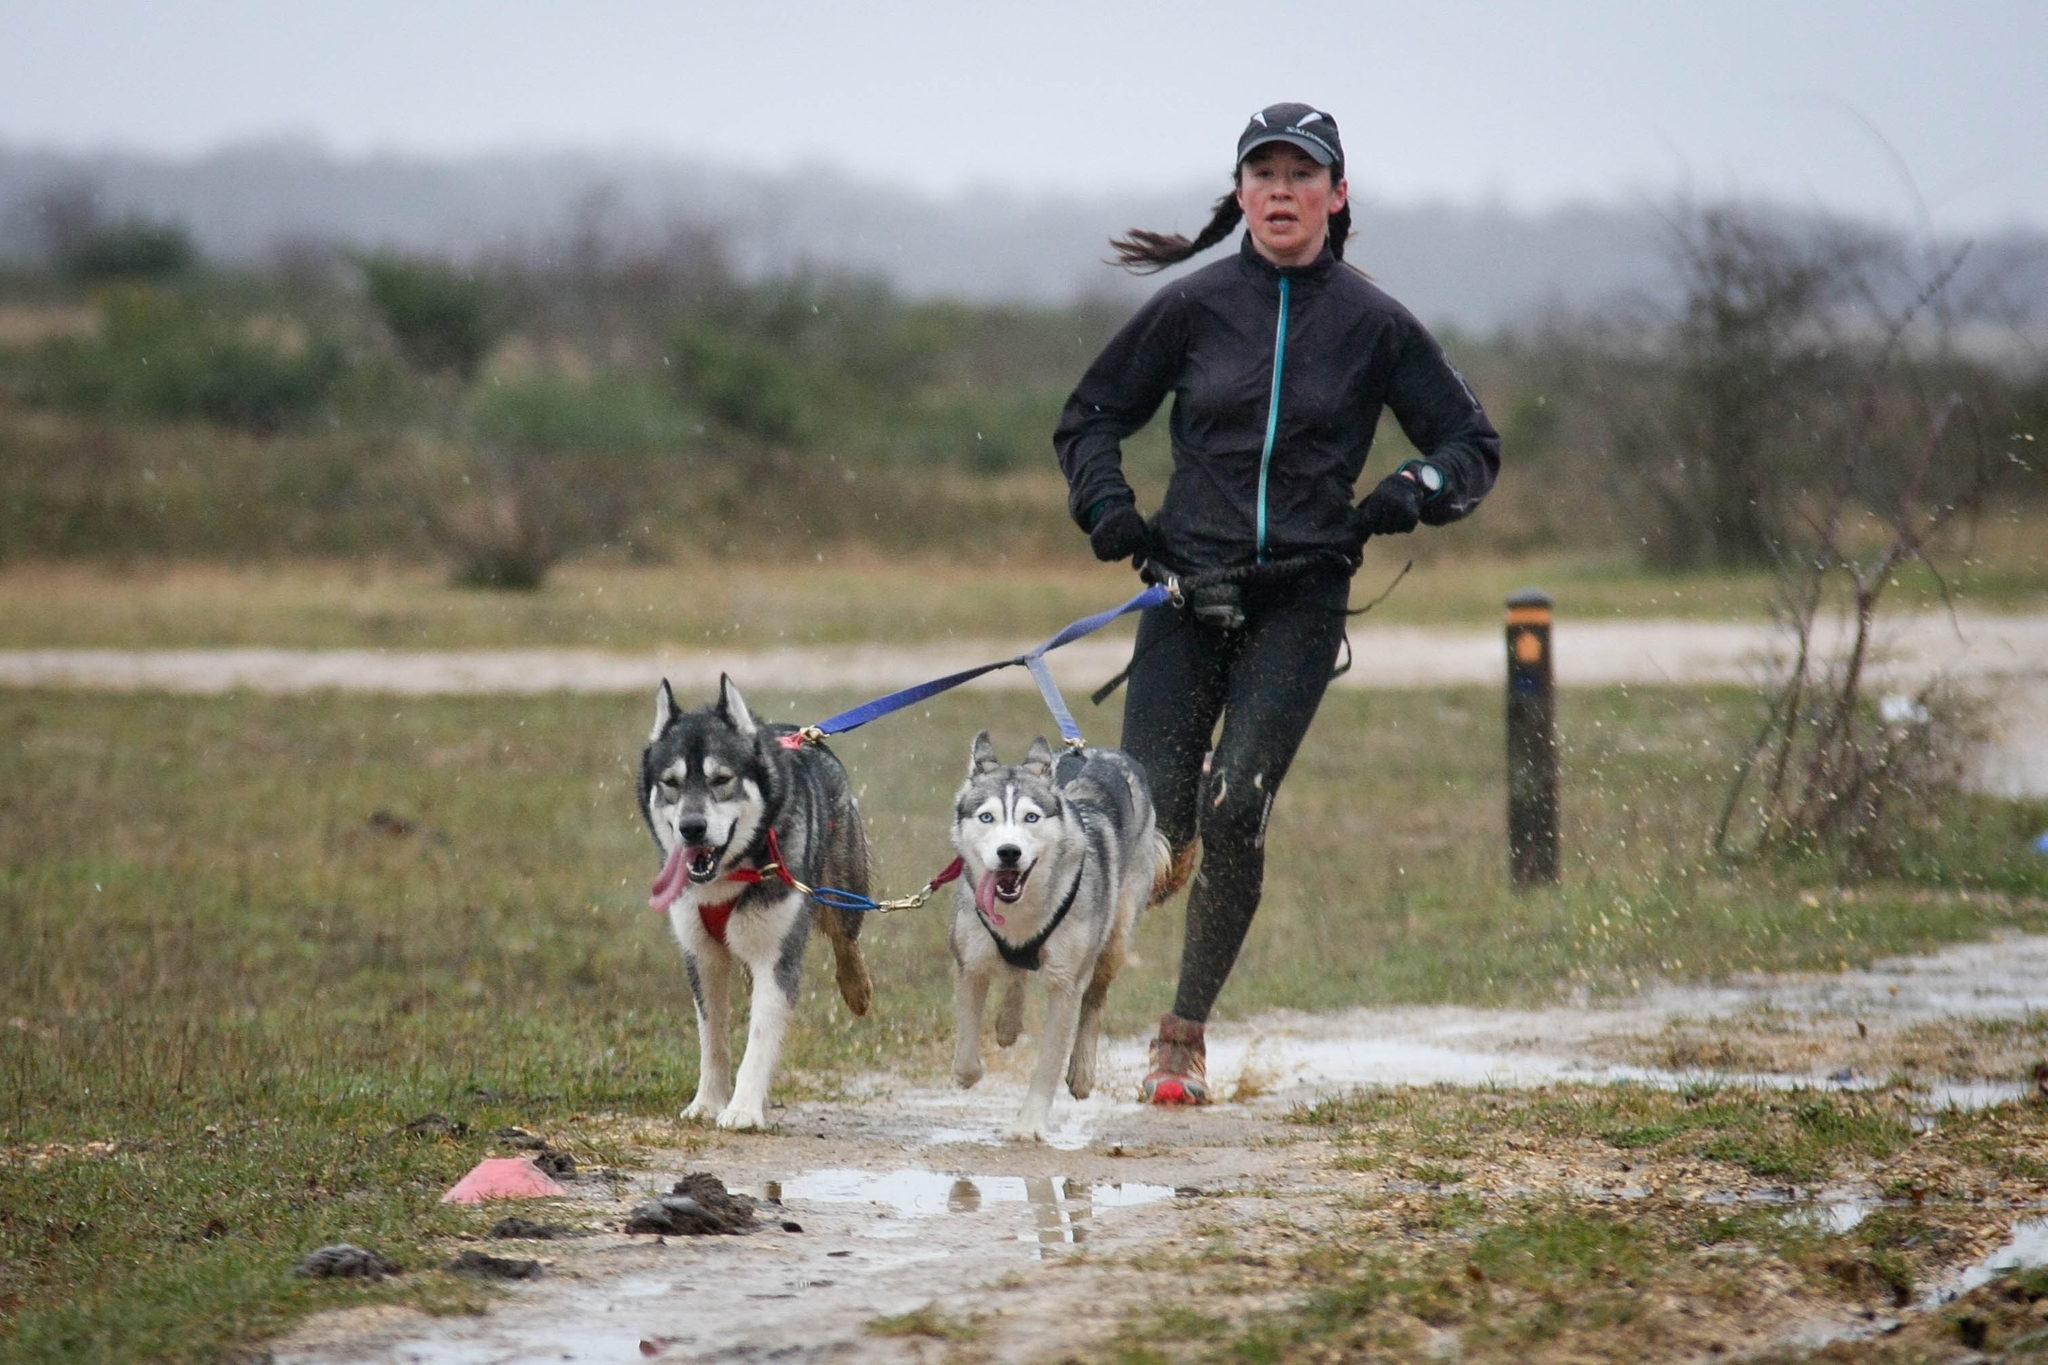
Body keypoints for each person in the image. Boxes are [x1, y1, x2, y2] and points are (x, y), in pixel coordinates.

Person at [1054, 102, 1501, 1104]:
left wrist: (1409, 494)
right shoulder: (1192, 308)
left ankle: (1180, 1037)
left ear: (1336, 196)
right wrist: (1110, 512)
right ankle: (1086, 980)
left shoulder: (1374, 325)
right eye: (1264, 173)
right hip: (1184, 590)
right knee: (1159, 836)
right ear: (1240, 193)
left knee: (1237, 806)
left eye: (1303, 174)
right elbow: (1088, 418)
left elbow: (1470, 447)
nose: (1282, 191)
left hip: (1299, 601)